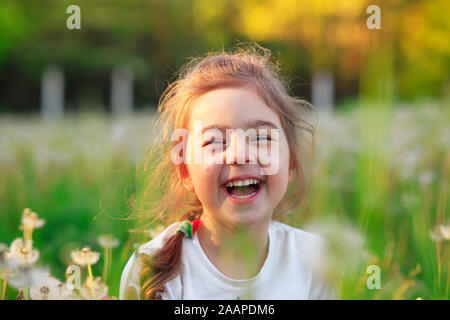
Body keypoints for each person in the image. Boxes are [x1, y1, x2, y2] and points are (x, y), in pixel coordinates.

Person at [119, 43, 334, 300]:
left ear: (291, 164)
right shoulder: (150, 269)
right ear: (185, 172)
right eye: (214, 141)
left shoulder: (317, 261)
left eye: (261, 136)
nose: (239, 154)